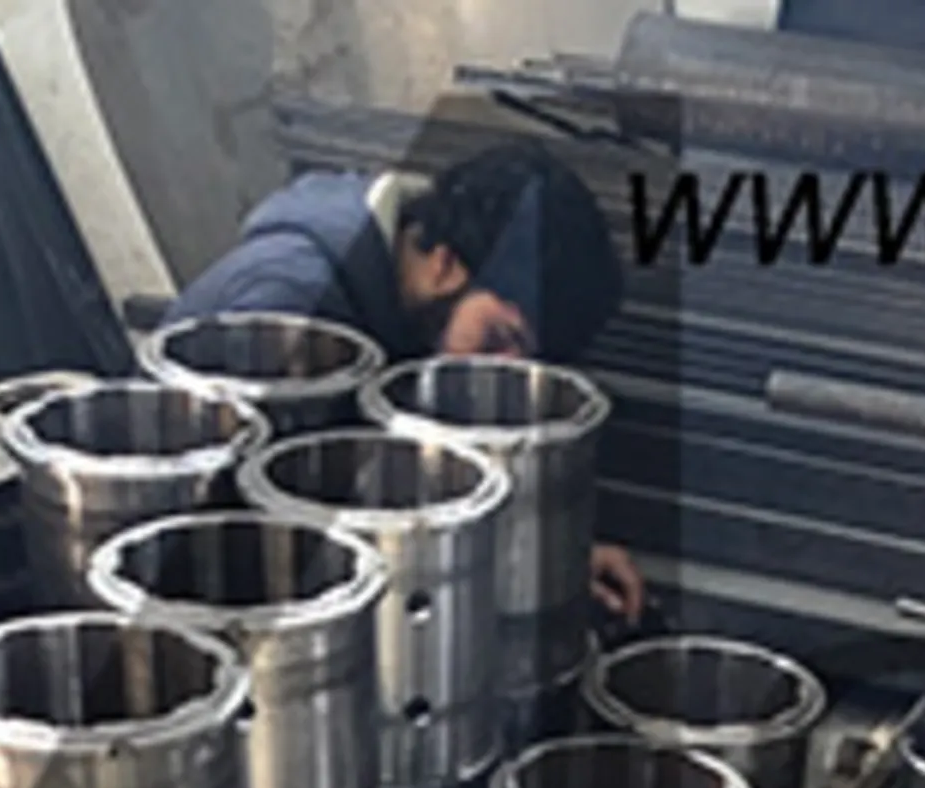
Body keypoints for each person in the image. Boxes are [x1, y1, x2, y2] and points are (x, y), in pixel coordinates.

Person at [170, 139, 646, 620]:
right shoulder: (291, 306)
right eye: (500, 337)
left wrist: (551, 559)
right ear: (444, 266)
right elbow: (246, 545)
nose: (500, 370)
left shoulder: (405, 298)